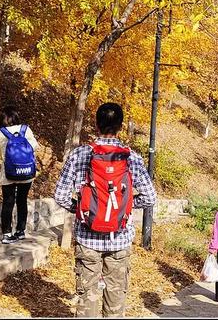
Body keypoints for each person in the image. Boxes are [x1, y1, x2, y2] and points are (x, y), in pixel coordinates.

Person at [54, 102, 157, 317]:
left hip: (87, 238)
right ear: (120, 126)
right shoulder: (132, 158)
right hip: (119, 238)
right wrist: (125, 208)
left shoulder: (79, 154)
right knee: (116, 297)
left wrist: (82, 210)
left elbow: (61, 196)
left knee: (87, 296)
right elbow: (149, 197)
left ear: (96, 124)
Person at [0, 105, 39, 244]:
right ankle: (20, 231)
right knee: (22, 201)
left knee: (8, 203)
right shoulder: (26, 129)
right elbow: (35, 147)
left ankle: (7, 234)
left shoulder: (0, 133)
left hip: (8, 173)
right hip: (26, 173)